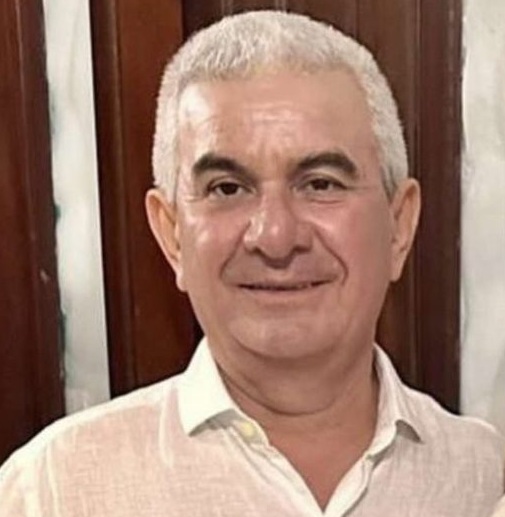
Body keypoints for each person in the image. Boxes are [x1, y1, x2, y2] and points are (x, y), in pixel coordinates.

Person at [0, 10, 503, 516]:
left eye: (321, 183)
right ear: (172, 234)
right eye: (227, 189)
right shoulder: (54, 489)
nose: (275, 237)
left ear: (399, 226)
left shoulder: (482, 473)